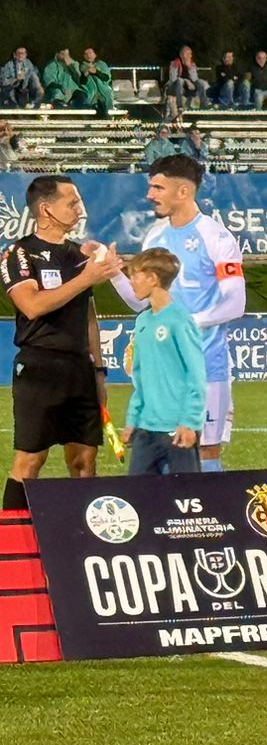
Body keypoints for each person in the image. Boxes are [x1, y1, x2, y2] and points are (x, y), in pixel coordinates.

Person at [109, 155, 245, 472]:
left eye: (158, 187)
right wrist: (114, 273)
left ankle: (205, 506)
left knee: (204, 453)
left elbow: (235, 304)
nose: (149, 195)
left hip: (206, 367)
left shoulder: (216, 237)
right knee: (159, 456)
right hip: (161, 373)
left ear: (183, 191)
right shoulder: (155, 235)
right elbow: (140, 302)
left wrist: (183, 324)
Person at [4, 175, 124, 509]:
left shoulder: (79, 255)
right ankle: (12, 535)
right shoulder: (19, 252)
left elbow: (89, 318)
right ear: (46, 209)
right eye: (72, 203)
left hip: (80, 368)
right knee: (30, 461)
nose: (80, 209)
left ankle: (83, 534)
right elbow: (32, 305)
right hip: (40, 367)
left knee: (84, 460)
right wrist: (87, 278)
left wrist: (99, 372)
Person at [121, 247, 206, 476]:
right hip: (145, 428)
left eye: (135, 275)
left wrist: (189, 422)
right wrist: (132, 419)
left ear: (152, 278)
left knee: (186, 494)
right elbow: (140, 377)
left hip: (177, 427)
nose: (131, 282)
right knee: (138, 494)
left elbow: (196, 375)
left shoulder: (180, 320)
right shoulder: (142, 321)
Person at [163, 47, 204, 119]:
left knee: (200, 82)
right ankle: (180, 106)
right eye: (186, 53)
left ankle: (204, 105)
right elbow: (173, 79)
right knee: (179, 81)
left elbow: (195, 79)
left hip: (187, 89)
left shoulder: (192, 65)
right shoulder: (175, 63)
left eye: (190, 54)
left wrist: (189, 67)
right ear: (181, 55)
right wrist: (186, 81)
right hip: (174, 88)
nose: (189, 56)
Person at [77, 49, 114, 116]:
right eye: (86, 54)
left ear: (95, 54)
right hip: (89, 92)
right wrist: (85, 74)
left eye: (90, 53)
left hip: (104, 92)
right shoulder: (81, 66)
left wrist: (96, 72)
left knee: (105, 102)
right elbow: (81, 82)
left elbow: (106, 77)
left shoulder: (102, 64)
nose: (88, 55)